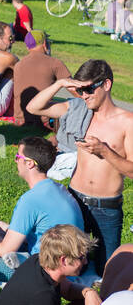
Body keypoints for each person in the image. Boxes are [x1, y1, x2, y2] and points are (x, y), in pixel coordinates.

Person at [27, 60, 133, 271]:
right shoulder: (78, 110)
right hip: (74, 200)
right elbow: (34, 107)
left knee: (108, 270)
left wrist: (105, 151)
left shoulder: (127, 122)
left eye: (89, 89)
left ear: (106, 85)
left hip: (107, 208)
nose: (84, 95)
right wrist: (60, 84)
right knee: (61, 263)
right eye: (80, 90)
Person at [0, 136, 84, 280]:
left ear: (29, 163)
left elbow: (5, 250)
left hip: (49, 272)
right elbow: (33, 231)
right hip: (72, 263)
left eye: (18, 157)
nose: (15, 160)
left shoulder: (30, 200)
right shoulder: (57, 188)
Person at [12, 31, 69, 126]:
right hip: (44, 121)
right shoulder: (55, 63)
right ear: (45, 44)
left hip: (20, 120)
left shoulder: (18, 65)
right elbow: (72, 90)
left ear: (27, 47)